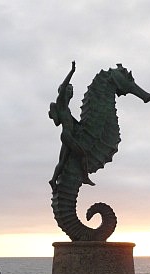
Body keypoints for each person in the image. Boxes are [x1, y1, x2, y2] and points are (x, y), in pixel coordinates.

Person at [48, 61, 94, 191]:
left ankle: (53, 180)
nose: (69, 91)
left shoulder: (67, 110)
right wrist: (72, 71)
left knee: (62, 161)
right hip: (67, 136)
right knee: (83, 154)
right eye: (68, 89)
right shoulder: (61, 104)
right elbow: (62, 88)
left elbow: (73, 123)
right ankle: (85, 177)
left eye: (71, 90)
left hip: (67, 136)